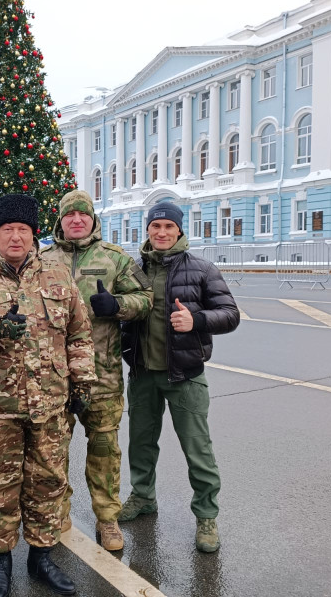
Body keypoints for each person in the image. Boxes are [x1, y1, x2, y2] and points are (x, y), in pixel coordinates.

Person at [0, 193, 97, 597]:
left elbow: (79, 333)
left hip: (50, 404)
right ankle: (1, 561)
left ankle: (41, 557)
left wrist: (81, 384)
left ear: (33, 234)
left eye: (22, 230)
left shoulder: (58, 275)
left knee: (47, 480)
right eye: (7, 229)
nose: (15, 237)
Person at [118, 201, 239, 553]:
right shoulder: (133, 269)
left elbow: (230, 314)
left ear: (179, 231)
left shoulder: (201, 269)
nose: (161, 233)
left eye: (168, 227)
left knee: (197, 449)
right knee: (140, 444)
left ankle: (206, 516)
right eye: (155, 227)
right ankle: (143, 497)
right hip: (142, 375)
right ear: (147, 230)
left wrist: (196, 320)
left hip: (184, 375)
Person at [40, 189, 152, 552]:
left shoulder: (114, 259)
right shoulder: (41, 260)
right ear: (61, 220)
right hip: (55, 377)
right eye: (70, 215)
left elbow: (146, 299)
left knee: (104, 447)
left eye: (83, 215)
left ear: (92, 219)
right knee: (53, 449)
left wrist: (116, 305)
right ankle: (60, 512)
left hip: (102, 376)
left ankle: (107, 519)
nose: (77, 220)